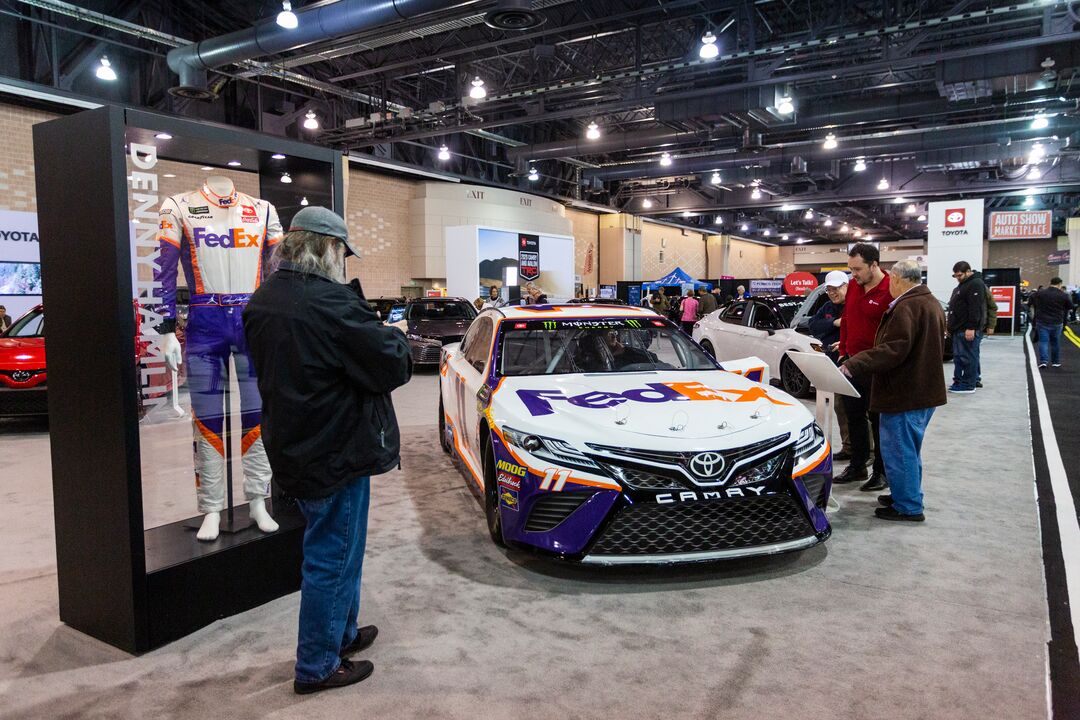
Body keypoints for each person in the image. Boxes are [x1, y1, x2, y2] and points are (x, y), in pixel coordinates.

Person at [242, 206, 413, 695]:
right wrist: (395, 338)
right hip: (335, 448)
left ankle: (342, 633)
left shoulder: (264, 300)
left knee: (340, 549)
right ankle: (317, 664)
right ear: (325, 248)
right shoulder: (331, 304)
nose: (345, 262)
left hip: (294, 442)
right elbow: (390, 367)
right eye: (342, 252)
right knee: (332, 556)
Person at [841, 260, 946, 522]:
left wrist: (855, 363)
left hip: (905, 393)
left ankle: (908, 506)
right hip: (922, 390)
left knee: (899, 451)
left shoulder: (908, 306)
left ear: (898, 279)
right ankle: (904, 495)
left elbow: (894, 350)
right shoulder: (929, 302)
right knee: (909, 450)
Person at [835, 243, 891, 492]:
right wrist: (844, 351)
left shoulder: (891, 289)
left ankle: (881, 471)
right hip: (852, 363)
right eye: (850, 269)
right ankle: (858, 466)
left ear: (874, 264)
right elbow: (847, 319)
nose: (853, 274)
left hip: (878, 367)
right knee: (853, 416)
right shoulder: (855, 287)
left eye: (857, 269)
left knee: (879, 422)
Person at [807, 271, 854, 462]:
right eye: (829, 290)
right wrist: (835, 323)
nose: (833, 293)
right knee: (840, 406)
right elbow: (812, 325)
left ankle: (866, 451)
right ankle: (849, 447)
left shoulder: (854, 306)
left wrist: (844, 339)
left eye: (836, 288)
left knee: (857, 410)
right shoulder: (827, 307)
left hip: (852, 362)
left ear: (846, 286)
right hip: (833, 364)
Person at [946, 261, 988, 393]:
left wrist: (971, 327)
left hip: (966, 329)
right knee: (962, 357)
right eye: (955, 276)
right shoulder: (963, 286)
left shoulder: (975, 284)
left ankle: (968, 384)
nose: (957, 278)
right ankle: (966, 381)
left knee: (967, 357)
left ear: (968, 271)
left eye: (960, 275)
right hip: (959, 328)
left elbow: (975, 307)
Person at [1031, 277, 1074, 368]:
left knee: (1043, 342)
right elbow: (1070, 306)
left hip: (1042, 321)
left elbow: (1032, 301)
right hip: (1057, 321)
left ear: (1050, 282)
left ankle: (1043, 361)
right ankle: (1055, 362)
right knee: (1055, 342)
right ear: (1060, 284)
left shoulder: (1040, 293)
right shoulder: (1063, 295)